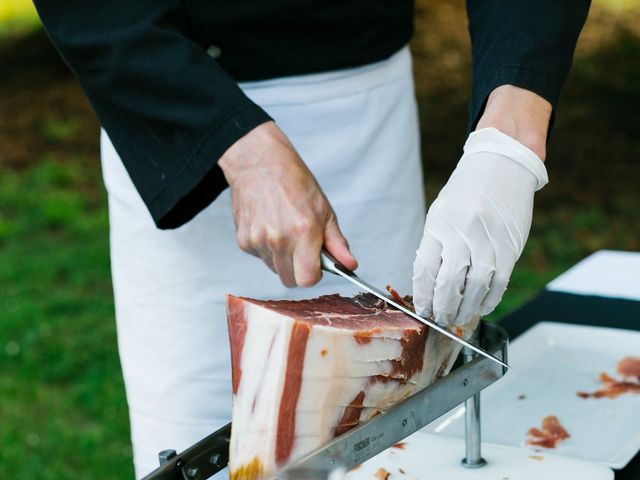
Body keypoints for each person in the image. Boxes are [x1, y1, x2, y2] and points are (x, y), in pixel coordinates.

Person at [33, 1, 590, 477]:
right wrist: (234, 144)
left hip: (368, 108)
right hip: (173, 111)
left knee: (401, 445)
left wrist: (510, 141)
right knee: (203, 431)